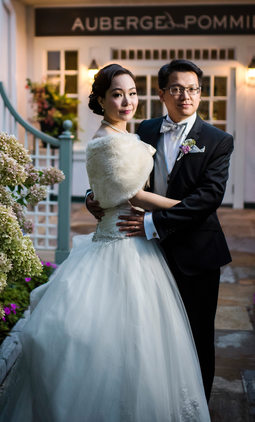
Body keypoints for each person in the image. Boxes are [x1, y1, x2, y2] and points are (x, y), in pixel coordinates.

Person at [0, 63, 210, 422]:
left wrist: (97, 194)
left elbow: (109, 184)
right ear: (100, 99)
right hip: (122, 239)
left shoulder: (137, 133)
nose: (127, 101)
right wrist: (184, 207)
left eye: (132, 93)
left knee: (151, 344)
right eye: (117, 94)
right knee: (113, 340)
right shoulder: (107, 139)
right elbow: (130, 192)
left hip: (142, 240)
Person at [87, 59, 233, 402]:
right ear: (162, 93)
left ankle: (197, 407)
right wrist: (94, 197)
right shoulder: (143, 128)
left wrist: (151, 223)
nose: (186, 96)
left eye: (193, 89)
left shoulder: (218, 140)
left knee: (197, 339)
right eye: (177, 89)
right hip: (148, 255)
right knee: (153, 337)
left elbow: (209, 198)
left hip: (196, 254)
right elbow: (118, 172)